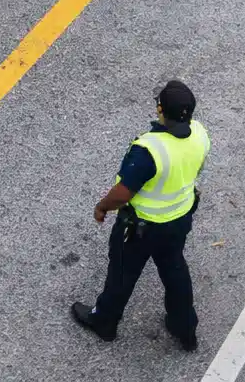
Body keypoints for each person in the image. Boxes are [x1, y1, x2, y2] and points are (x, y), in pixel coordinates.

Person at [71, 80, 211, 349]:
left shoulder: (150, 150)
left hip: (142, 228)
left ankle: (105, 322)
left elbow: (123, 193)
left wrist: (102, 207)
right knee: (175, 270)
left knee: (122, 274)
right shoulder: (200, 134)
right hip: (179, 220)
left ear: (160, 110)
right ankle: (185, 329)